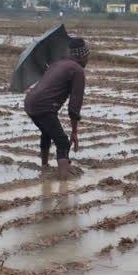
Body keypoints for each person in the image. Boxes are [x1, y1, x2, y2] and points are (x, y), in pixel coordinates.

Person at [24, 38, 89, 180]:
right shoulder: (77, 70)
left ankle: (45, 167)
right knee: (63, 142)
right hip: (43, 106)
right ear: (82, 56)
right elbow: (74, 106)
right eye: (87, 56)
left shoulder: (58, 63)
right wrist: (74, 132)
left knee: (47, 133)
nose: (88, 59)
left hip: (30, 102)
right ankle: (63, 183)